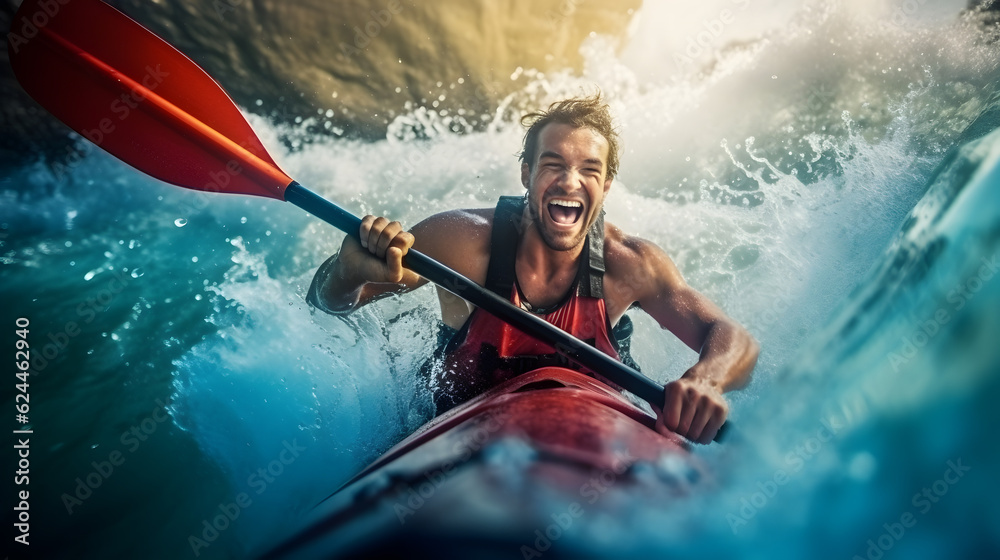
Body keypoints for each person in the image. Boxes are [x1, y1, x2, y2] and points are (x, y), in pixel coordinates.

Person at [307, 93, 759, 444]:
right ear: (526, 174)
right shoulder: (461, 242)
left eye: (588, 169)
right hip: (457, 420)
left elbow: (733, 338)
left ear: (605, 185)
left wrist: (706, 380)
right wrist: (348, 272)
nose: (569, 180)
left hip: (592, 423)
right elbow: (326, 302)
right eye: (553, 164)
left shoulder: (630, 265)